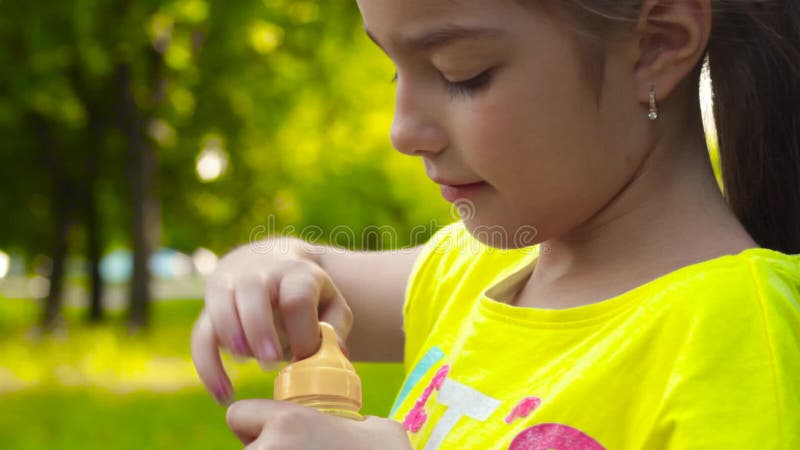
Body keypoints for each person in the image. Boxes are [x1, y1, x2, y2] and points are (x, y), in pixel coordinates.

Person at [190, 0, 800, 448]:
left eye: (462, 74)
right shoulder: (475, 266)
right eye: (394, 70)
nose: (401, 131)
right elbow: (313, 271)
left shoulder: (739, 336)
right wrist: (266, 268)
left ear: (656, 45)